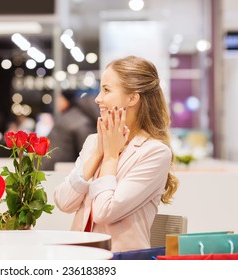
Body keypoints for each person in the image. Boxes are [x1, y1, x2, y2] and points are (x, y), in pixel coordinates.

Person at [54, 55, 179, 252]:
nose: (97, 98)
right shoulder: (93, 142)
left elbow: (104, 212)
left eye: (106, 90)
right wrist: (97, 154)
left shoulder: (154, 152)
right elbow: (64, 201)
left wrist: (111, 157)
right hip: (79, 257)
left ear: (132, 98)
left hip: (122, 263)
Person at [40, 90, 98, 171]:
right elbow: (88, 155)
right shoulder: (82, 121)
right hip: (53, 173)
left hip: (45, 168)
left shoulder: (74, 114)